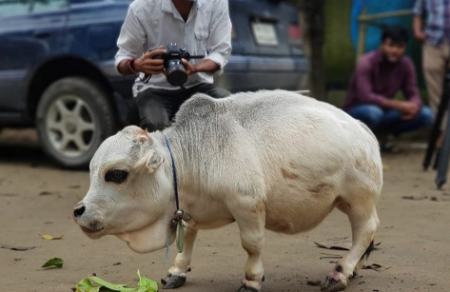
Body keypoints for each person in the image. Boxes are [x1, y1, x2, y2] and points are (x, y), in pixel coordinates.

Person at [115, 0, 232, 131]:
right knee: (157, 128)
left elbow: (220, 52)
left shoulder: (215, 2)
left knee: (230, 109)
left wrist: (196, 68)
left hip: (197, 84)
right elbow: (123, 58)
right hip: (154, 88)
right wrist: (136, 64)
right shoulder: (141, 8)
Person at [345, 26, 433, 145]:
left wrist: (414, 106)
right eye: (391, 45)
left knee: (426, 114)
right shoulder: (366, 62)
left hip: (387, 112)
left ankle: (383, 136)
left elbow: (413, 92)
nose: (395, 50)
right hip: (357, 110)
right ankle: (364, 141)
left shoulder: (406, 64)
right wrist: (400, 105)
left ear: (405, 47)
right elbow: (365, 96)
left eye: (400, 47)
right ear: (382, 44)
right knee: (374, 113)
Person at [413, 0, 450, 115]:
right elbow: (417, 11)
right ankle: (440, 130)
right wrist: (417, 32)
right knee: (435, 90)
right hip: (432, 41)